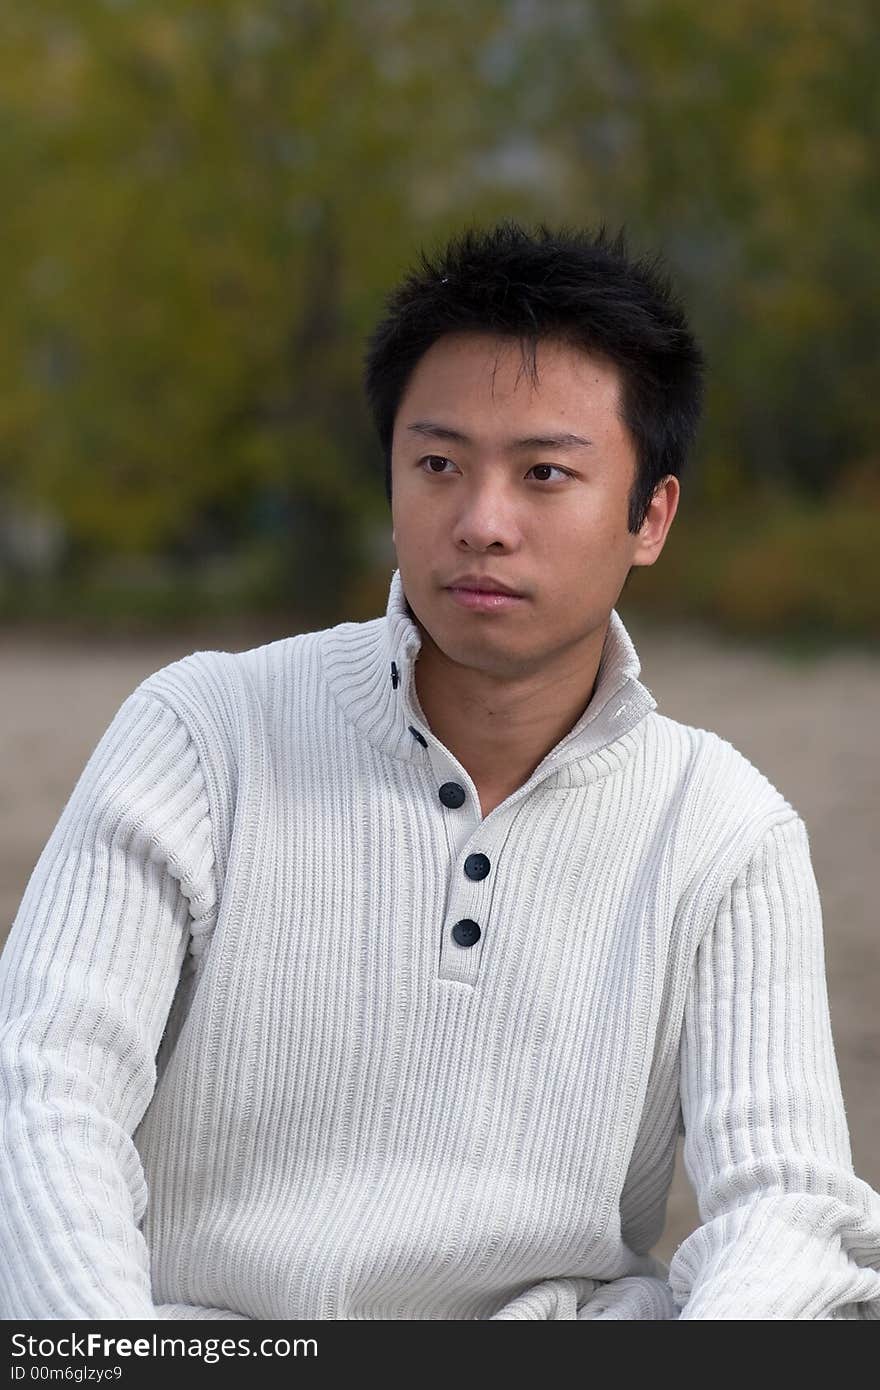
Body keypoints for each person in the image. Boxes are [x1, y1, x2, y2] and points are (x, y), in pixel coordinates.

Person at [2, 221, 879, 1321]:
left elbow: (784, 1208)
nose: (480, 523)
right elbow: (45, 1087)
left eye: (545, 473)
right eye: (438, 465)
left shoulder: (724, 828)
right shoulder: (206, 730)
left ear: (649, 516)